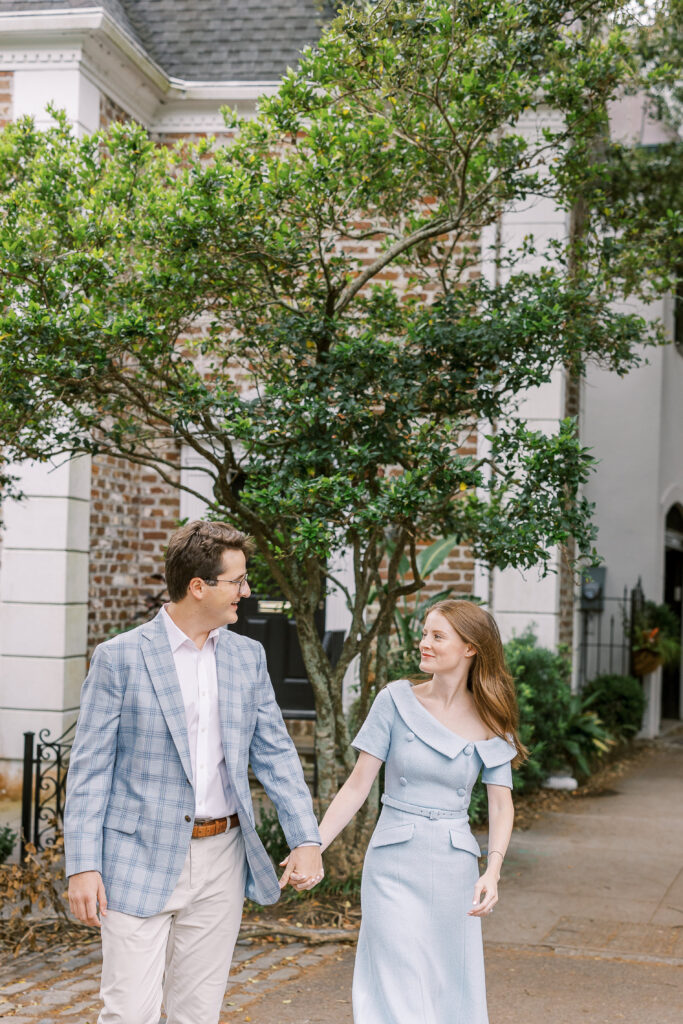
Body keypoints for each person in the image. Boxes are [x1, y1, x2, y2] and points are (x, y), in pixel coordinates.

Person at [64, 520, 323, 1024]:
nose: (246, 593)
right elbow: (90, 770)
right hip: (134, 856)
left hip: (222, 857)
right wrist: (82, 864)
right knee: (128, 1013)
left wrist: (306, 837)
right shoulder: (120, 658)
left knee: (196, 1014)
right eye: (238, 582)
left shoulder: (249, 657)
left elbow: (275, 753)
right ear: (198, 586)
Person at [317, 599, 526, 1024]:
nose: (424, 643)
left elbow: (502, 805)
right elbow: (358, 786)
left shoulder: (491, 718)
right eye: (424, 633)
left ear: (470, 648)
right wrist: (312, 845)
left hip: (455, 866)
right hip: (393, 860)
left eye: (437, 636)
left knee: (450, 980)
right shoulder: (394, 700)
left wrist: (493, 870)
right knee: (397, 978)